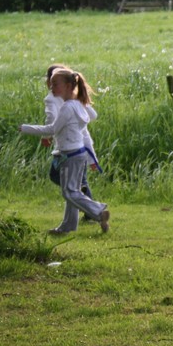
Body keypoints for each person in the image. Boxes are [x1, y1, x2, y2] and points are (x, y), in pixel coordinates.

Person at [20, 68, 110, 234]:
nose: (51, 87)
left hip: (70, 156)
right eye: (51, 84)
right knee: (72, 191)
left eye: (55, 84)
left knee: (69, 192)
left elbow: (52, 129)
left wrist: (25, 128)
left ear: (68, 86)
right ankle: (67, 226)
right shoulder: (77, 104)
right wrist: (92, 158)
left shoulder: (67, 107)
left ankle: (98, 211)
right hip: (78, 154)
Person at [42, 63, 98, 211]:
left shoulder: (52, 99)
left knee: (58, 176)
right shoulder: (76, 97)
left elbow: (51, 118)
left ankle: (85, 202)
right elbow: (93, 115)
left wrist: (48, 135)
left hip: (68, 146)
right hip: (82, 144)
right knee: (78, 180)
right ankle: (85, 204)